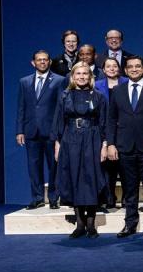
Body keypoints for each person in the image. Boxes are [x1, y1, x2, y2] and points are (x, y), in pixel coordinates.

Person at [107, 55, 143, 238]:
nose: (134, 69)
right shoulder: (117, 90)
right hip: (124, 147)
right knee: (129, 189)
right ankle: (130, 224)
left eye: (137, 66)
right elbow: (111, 119)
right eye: (130, 67)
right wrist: (111, 144)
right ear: (125, 70)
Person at [52, 62, 107, 238]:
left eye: (85, 74)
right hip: (70, 139)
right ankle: (79, 223)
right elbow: (58, 121)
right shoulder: (64, 95)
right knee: (74, 177)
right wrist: (57, 144)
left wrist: (105, 145)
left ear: (90, 77)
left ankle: (91, 223)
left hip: (92, 139)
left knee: (90, 177)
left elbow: (104, 122)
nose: (82, 76)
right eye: (78, 74)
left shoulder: (98, 96)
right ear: (73, 76)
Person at [18, 50, 65, 209]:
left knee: (54, 166)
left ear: (50, 62)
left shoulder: (59, 80)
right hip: (31, 131)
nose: (42, 62)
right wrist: (20, 130)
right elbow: (21, 107)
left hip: (51, 131)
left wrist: (58, 131)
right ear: (33, 63)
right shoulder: (24, 82)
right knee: (33, 166)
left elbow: (60, 108)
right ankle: (37, 198)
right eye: (39, 60)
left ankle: (53, 198)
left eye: (45, 60)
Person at [94, 57, 127, 211]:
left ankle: (127, 198)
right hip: (106, 128)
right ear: (103, 69)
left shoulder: (127, 82)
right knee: (109, 168)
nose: (112, 68)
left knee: (126, 167)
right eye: (109, 66)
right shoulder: (97, 85)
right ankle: (110, 198)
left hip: (126, 129)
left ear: (119, 68)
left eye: (115, 66)